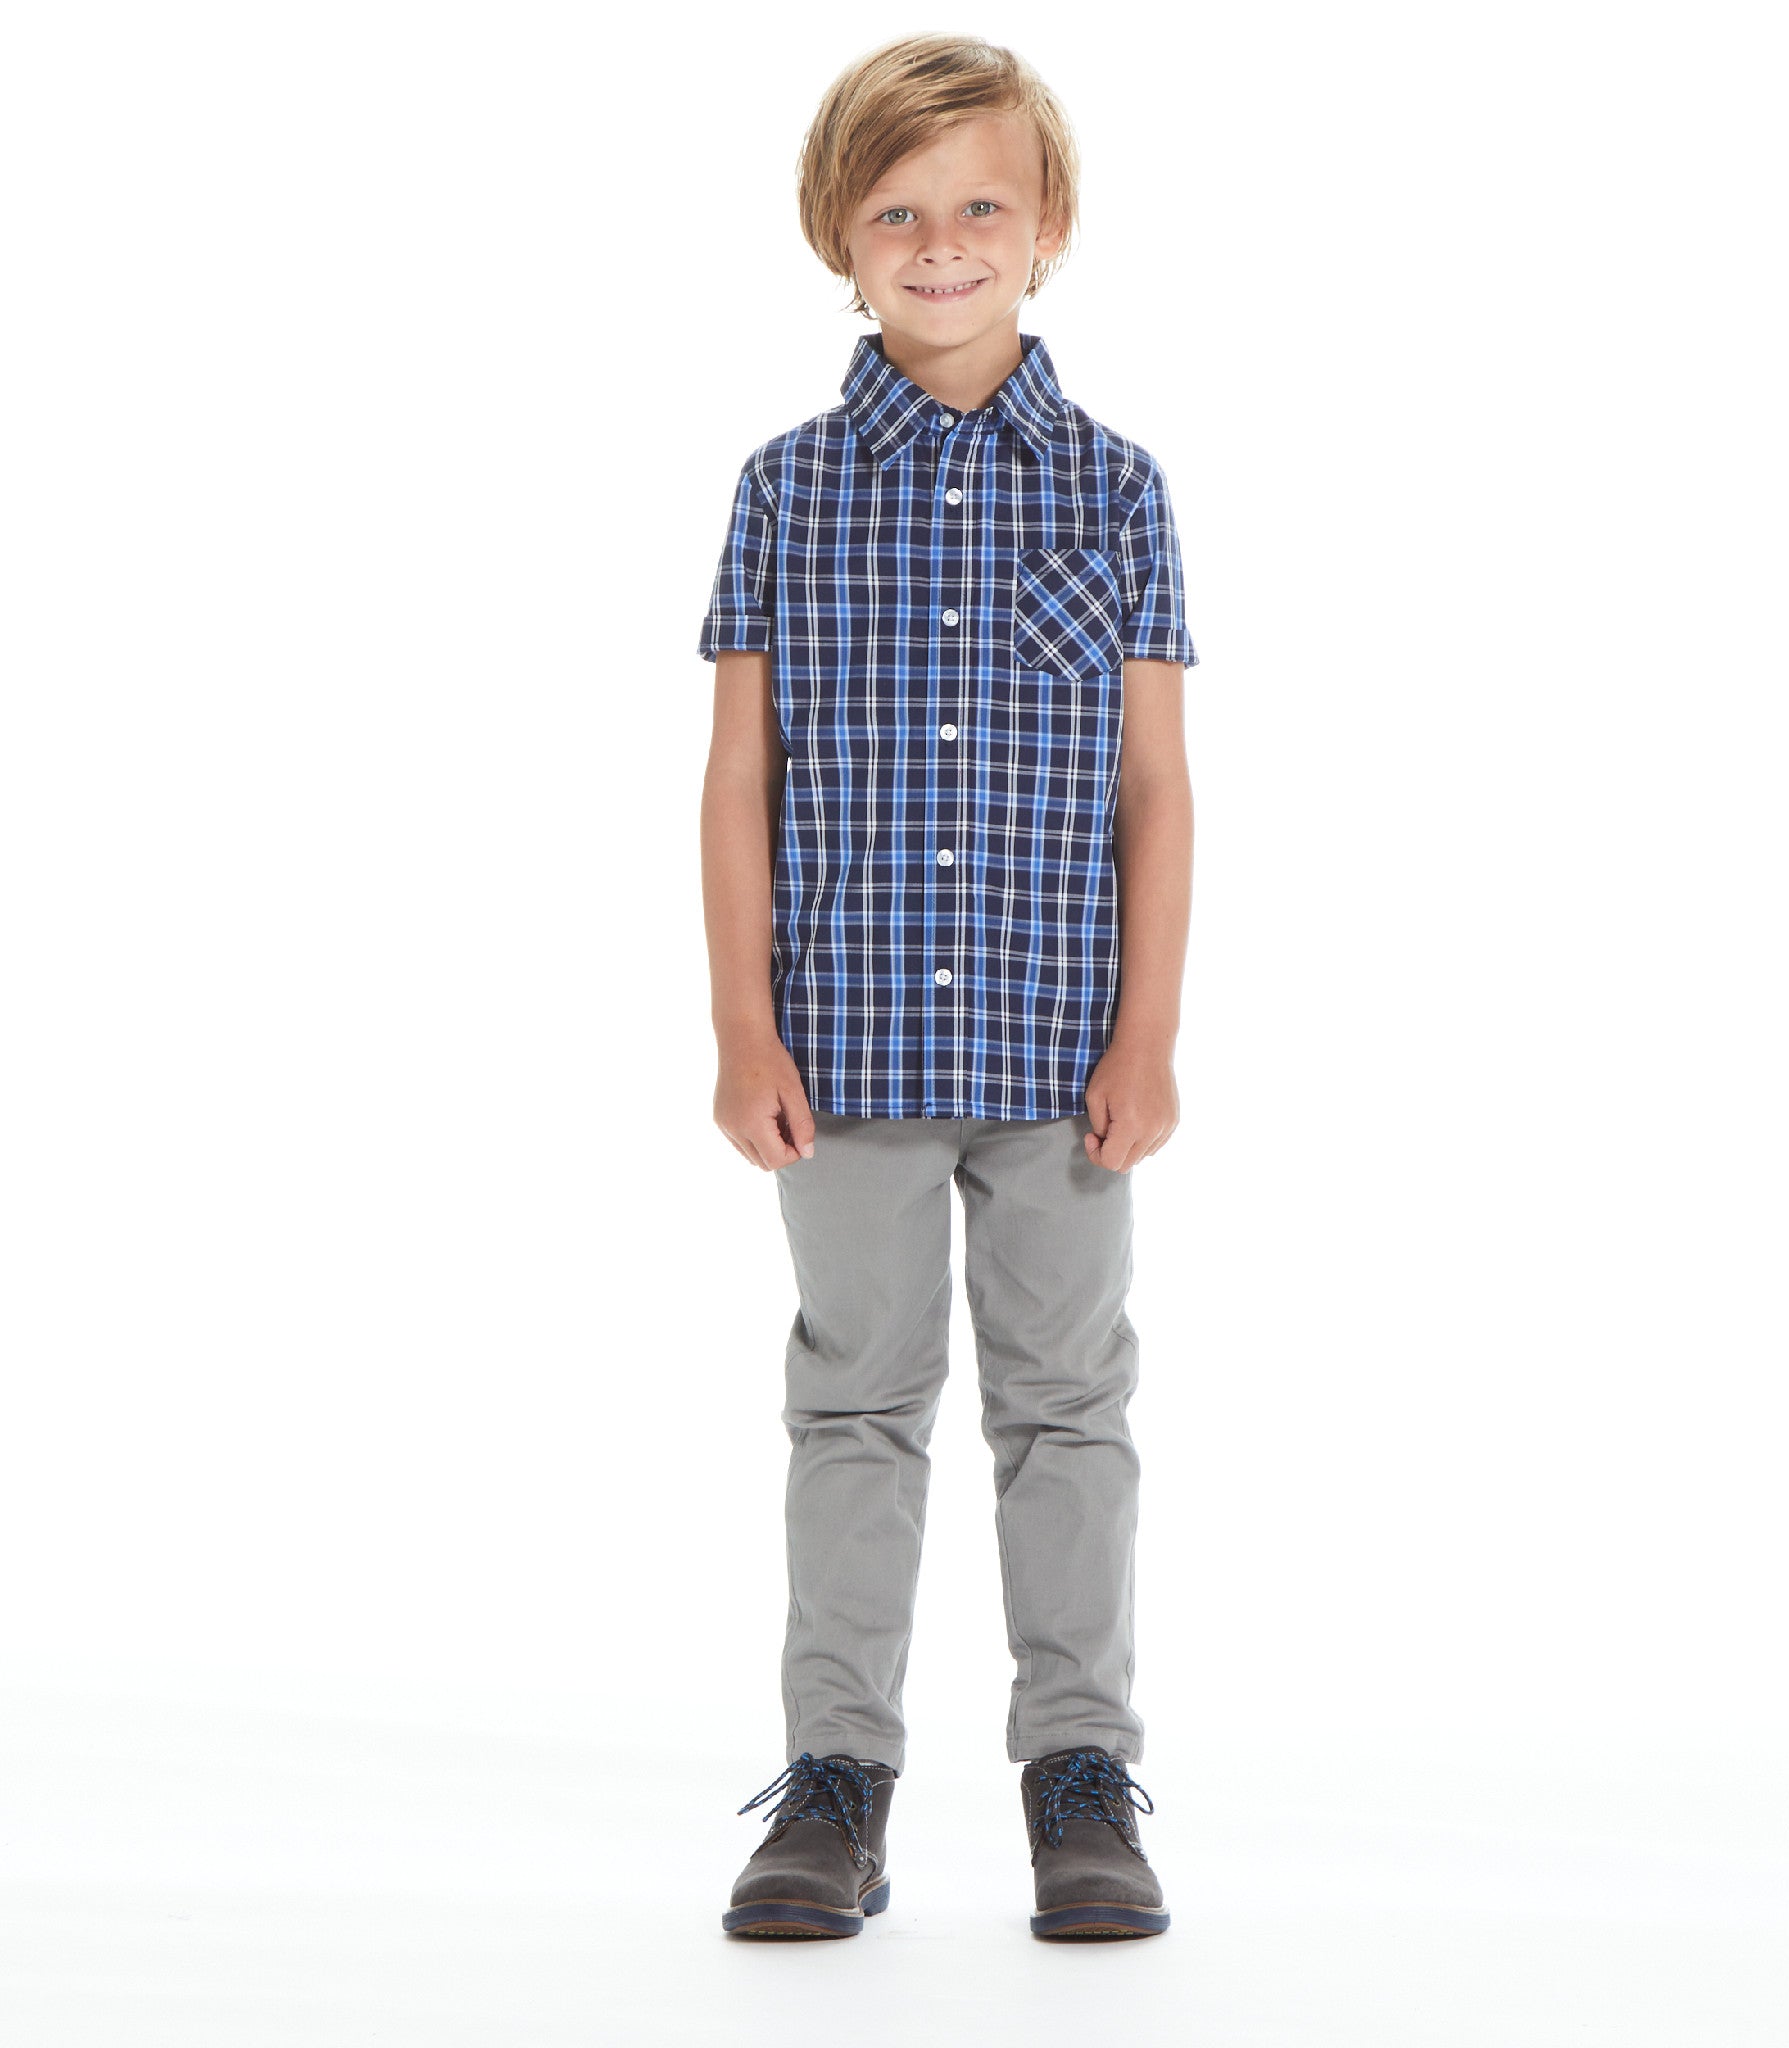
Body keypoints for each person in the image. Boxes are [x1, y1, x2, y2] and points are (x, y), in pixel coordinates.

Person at [697, 31, 1198, 1943]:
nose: (941, 242)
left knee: (1069, 1407)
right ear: (839, 235)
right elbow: (740, 778)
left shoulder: (1119, 489)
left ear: (1048, 226)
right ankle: (836, 1781)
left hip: (1063, 1054)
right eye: (897, 211)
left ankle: (1082, 1776)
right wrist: (743, 1026)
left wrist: (1149, 1034)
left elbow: (1155, 787)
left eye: (981, 203)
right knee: (856, 1406)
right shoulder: (787, 489)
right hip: (845, 1049)